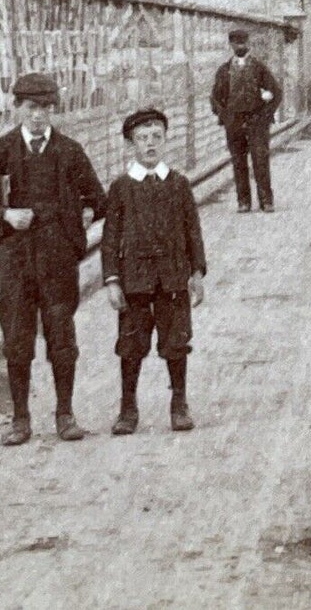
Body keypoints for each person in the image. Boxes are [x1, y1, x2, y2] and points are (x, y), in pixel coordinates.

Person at [0, 72, 107, 446]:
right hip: (14, 259)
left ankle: (65, 414)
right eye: (31, 108)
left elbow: (98, 199)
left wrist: (78, 219)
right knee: (17, 337)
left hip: (56, 258)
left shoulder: (69, 151)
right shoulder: (0, 151)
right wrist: (5, 216)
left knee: (61, 334)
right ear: (16, 108)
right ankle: (20, 419)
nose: (38, 116)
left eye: (46, 109)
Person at [102, 107, 207, 435]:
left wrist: (197, 273)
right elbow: (110, 238)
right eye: (142, 139)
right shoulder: (121, 188)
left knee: (176, 341)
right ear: (131, 144)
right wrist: (112, 280)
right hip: (135, 281)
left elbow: (193, 231)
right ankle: (128, 408)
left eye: (156, 138)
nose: (150, 145)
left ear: (165, 140)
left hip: (173, 277)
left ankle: (179, 403)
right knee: (131, 344)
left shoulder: (178, 184)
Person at [210, 28, 283, 213]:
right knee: (238, 161)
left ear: (248, 44)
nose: (240, 46)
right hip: (234, 122)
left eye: (243, 43)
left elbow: (276, 93)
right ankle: (243, 202)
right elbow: (215, 98)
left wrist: (265, 116)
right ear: (231, 45)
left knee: (260, 159)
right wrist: (224, 116)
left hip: (256, 121)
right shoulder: (224, 70)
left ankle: (266, 200)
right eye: (236, 43)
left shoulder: (259, 67)